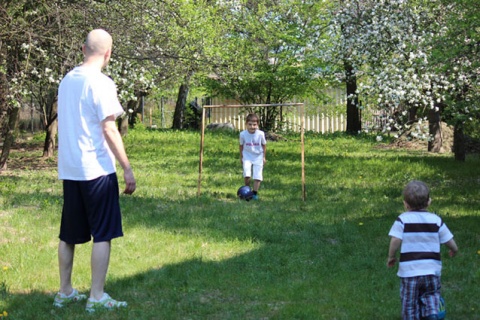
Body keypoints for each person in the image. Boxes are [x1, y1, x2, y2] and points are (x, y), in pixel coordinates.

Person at [54, 29, 136, 312]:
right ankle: (97, 297)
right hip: (97, 171)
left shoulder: (66, 81)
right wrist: (127, 168)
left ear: (82, 49)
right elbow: (109, 128)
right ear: (108, 54)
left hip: (70, 169)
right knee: (103, 233)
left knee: (69, 234)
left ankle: (65, 292)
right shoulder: (101, 82)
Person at [387, 180, 458, 320]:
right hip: (432, 270)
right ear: (429, 202)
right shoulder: (436, 220)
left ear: (405, 204)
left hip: (410, 272)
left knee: (409, 301)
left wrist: (391, 256)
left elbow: (395, 240)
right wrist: (454, 249)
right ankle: (431, 314)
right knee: (431, 294)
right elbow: (448, 239)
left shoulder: (402, 220)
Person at [239, 113, 266, 200]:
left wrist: (264, 157)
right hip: (247, 156)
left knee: (257, 176)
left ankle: (254, 193)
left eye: (254, 125)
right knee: (247, 174)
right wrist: (241, 156)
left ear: (257, 125)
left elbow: (264, 145)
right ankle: (247, 191)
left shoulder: (261, 134)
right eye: (250, 124)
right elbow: (241, 145)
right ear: (246, 124)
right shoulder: (242, 134)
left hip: (258, 156)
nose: (252, 127)